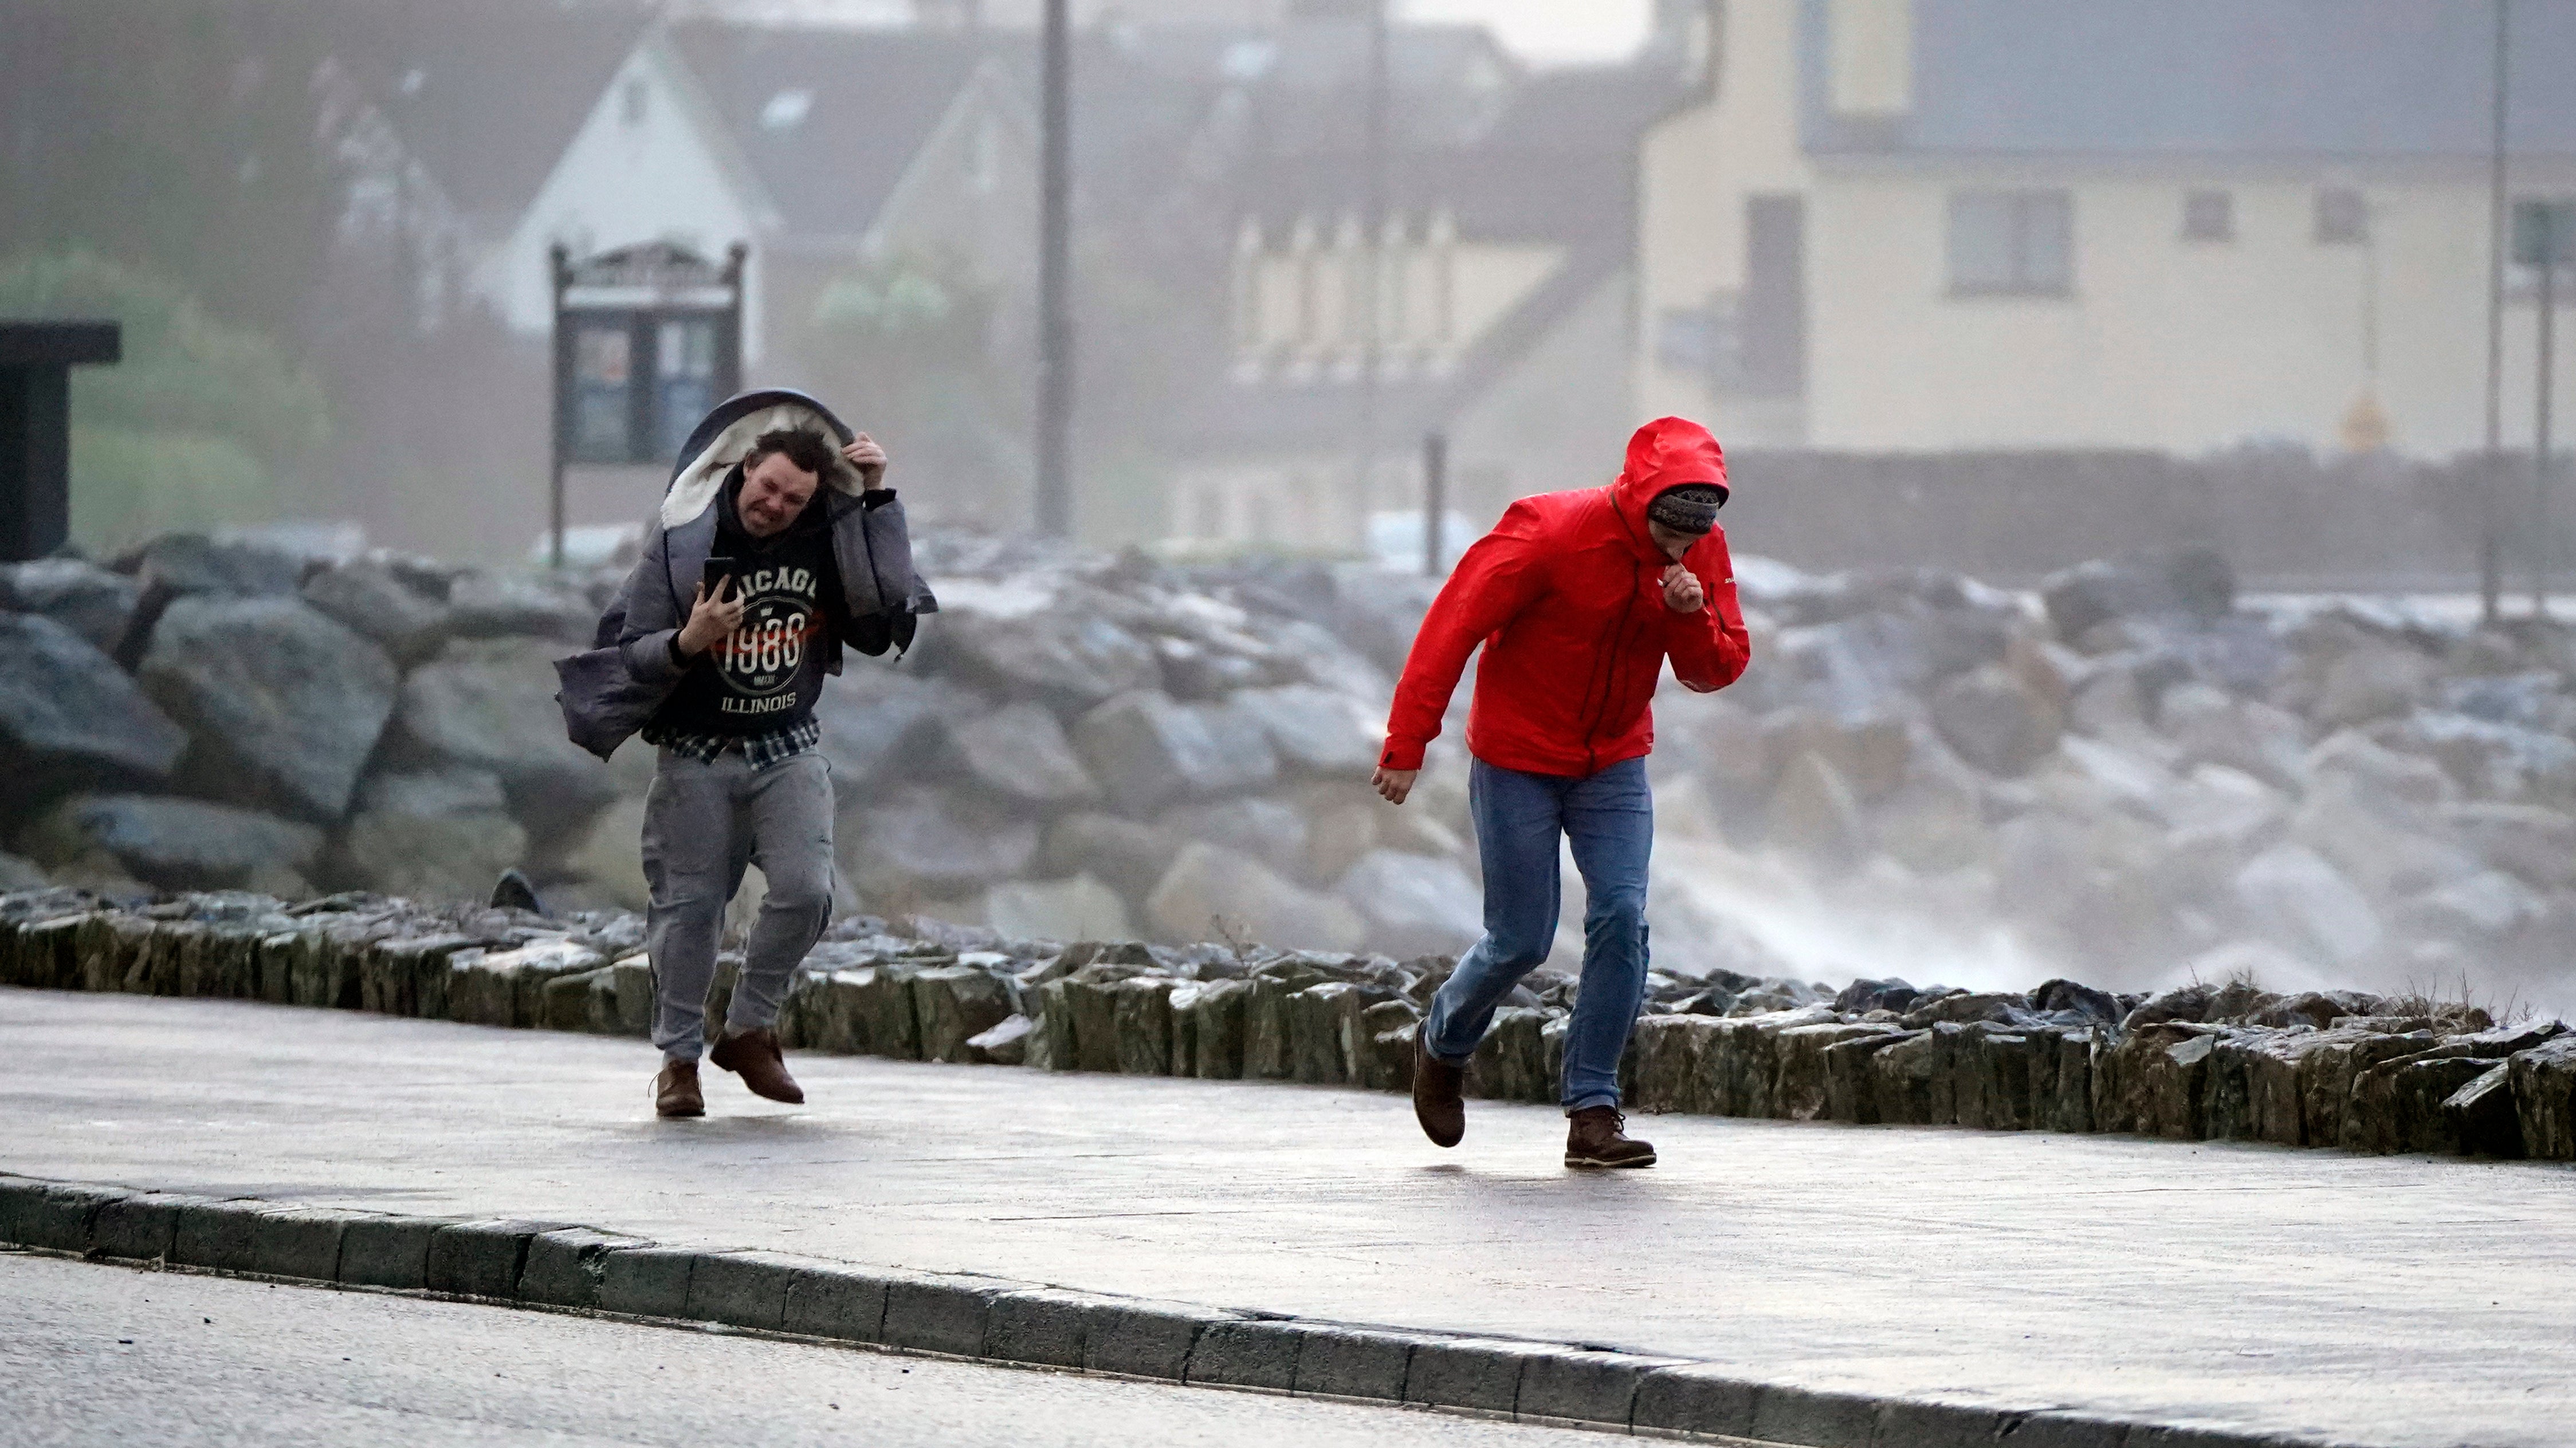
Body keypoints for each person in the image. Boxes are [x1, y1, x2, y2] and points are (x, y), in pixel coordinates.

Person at [1372, 416, 1751, 1168]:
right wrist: (1408, 743)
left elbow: (1716, 668)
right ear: (1643, 501)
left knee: (1621, 917)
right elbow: (1452, 626)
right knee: (1521, 938)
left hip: (1613, 763)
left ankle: (1593, 1112)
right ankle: (1443, 1044)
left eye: (1695, 535)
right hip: (1518, 758)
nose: (1682, 548)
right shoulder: (1549, 532)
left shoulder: (1700, 550)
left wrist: (1689, 616)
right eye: (1670, 532)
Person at [563, 390, 934, 1120]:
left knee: (806, 891)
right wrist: (687, 640)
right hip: (695, 755)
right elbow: (629, 653)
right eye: (767, 487)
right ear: (742, 469)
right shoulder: (680, 542)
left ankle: (749, 1027)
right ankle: (678, 1062)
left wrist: (878, 493)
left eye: (793, 498)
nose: (775, 505)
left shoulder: (827, 537)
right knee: (689, 911)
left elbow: (886, 601)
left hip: (787, 747)